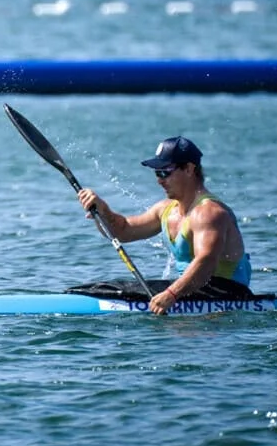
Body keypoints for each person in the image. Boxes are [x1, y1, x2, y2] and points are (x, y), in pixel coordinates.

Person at [77, 135, 251, 315]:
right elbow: (122, 231)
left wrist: (171, 294)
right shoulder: (166, 210)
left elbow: (206, 261)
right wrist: (103, 211)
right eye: (156, 173)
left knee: (116, 289)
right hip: (193, 292)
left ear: (189, 169)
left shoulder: (209, 213)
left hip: (227, 293)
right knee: (108, 287)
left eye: (164, 172)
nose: (159, 180)